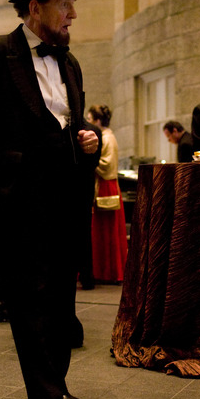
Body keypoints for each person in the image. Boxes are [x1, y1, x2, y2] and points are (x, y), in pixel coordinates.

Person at [0, 0, 99, 399]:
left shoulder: (70, 62)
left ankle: (56, 387)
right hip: (18, 199)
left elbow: (69, 125)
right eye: (64, 2)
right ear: (34, 7)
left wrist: (88, 138)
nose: (73, 12)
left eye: (73, 2)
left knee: (61, 300)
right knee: (29, 298)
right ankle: (46, 394)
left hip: (66, 199)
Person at [87, 104, 128, 283]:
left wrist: (88, 161)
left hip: (105, 186)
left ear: (97, 120)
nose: (88, 123)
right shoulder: (105, 136)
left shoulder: (107, 138)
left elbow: (105, 164)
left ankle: (108, 271)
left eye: (89, 119)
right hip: (104, 185)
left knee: (105, 231)